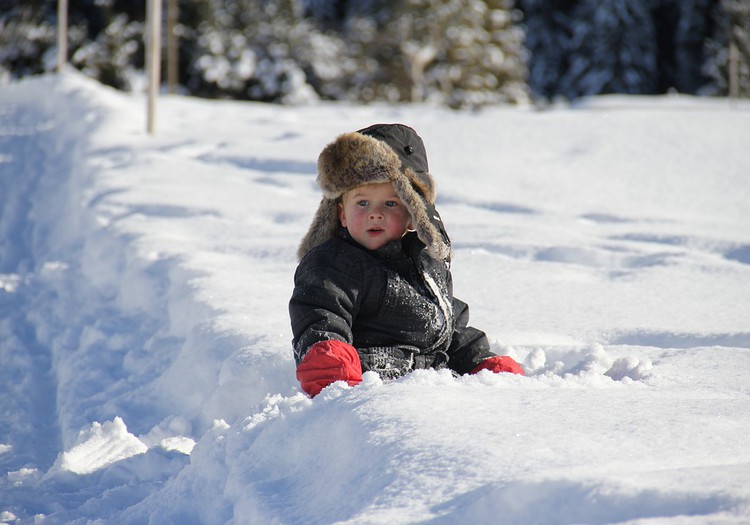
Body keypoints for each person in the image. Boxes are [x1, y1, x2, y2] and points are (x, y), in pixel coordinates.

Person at [289, 123, 524, 397]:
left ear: (414, 213)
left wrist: (481, 364)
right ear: (341, 214)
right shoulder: (334, 263)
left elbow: (450, 332)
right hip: (371, 391)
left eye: (390, 204)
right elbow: (321, 315)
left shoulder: (427, 264)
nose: (375, 214)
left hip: (432, 391)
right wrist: (330, 363)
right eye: (362, 203)